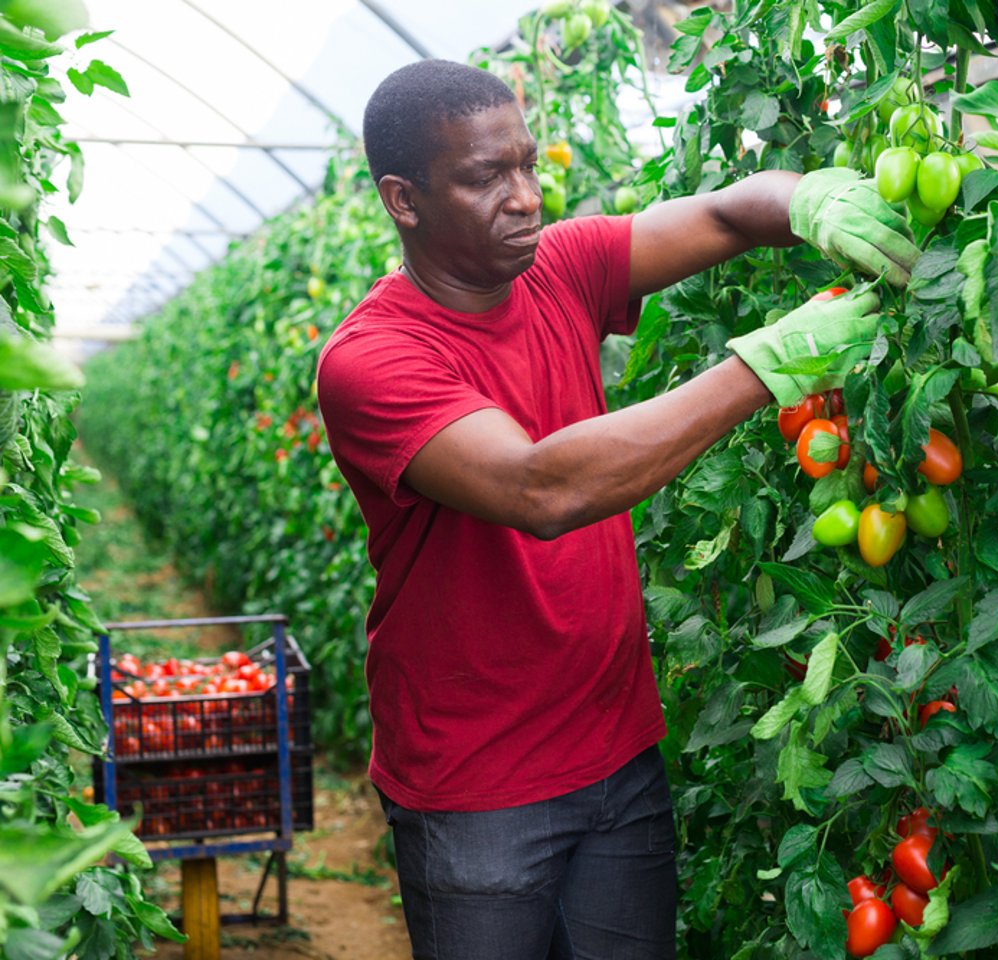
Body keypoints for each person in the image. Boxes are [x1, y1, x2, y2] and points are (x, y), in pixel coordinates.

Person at [315, 58, 918, 959]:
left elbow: (724, 212)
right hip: (478, 786)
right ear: (403, 199)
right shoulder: (372, 360)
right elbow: (543, 488)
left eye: (525, 163)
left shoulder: (560, 266)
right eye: (485, 177)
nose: (524, 197)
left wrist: (811, 202)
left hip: (618, 756)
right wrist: (772, 363)